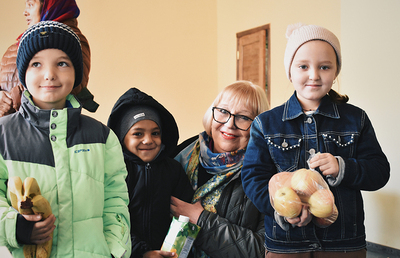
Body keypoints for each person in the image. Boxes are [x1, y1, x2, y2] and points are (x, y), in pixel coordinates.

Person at [241, 23, 390, 258]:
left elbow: (380, 171)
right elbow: (252, 178)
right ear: (290, 72)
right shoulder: (265, 123)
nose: (314, 75)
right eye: (303, 66)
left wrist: (344, 167)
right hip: (286, 245)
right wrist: (280, 209)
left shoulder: (356, 119)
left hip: (343, 244)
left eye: (324, 67)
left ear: (336, 71)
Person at [0, 21, 131, 257]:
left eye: (62, 63)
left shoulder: (102, 137)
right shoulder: (3, 134)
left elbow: (116, 203)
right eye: (36, 64)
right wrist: (16, 227)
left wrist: (115, 251)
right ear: (23, 74)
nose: (49, 74)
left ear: (76, 73)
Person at [171, 81, 269, 258]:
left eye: (244, 117)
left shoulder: (265, 174)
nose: (230, 124)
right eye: (223, 111)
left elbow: (264, 250)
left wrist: (202, 221)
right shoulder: (179, 155)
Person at [107, 88, 194, 258]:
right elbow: (111, 221)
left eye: (155, 133)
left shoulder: (173, 170)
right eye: (138, 133)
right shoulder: (115, 170)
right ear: (122, 138)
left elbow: (185, 216)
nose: (148, 140)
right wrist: (143, 252)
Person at [0, 0, 98, 117]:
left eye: (31, 5)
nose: (25, 12)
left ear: (50, 5)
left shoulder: (72, 42)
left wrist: (12, 100)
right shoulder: (16, 46)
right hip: (8, 126)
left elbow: (68, 89)